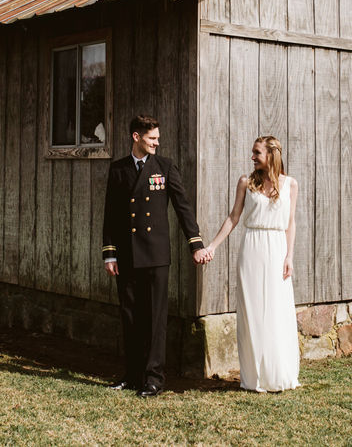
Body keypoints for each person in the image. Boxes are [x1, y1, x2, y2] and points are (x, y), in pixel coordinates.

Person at [102, 115, 211, 397]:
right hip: (126, 256)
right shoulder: (118, 169)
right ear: (136, 137)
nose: (156, 143)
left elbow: (183, 207)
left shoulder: (164, 167)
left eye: (158, 138)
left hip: (155, 256)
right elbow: (111, 215)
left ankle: (153, 378)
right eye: (152, 138)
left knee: (155, 319)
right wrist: (109, 254)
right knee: (130, 316)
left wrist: (195, 244)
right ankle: (133, 374)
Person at [206, 135, 300, 392]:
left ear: (270, 155)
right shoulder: (246, 183)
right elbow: (233, 217)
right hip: (252, 247)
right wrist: (212, 246)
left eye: (256, 152)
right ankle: (253, 376)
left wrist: (289, 256)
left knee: (276, 309)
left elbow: (290, 223)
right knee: (253, 311)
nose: (252, 157)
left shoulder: (290, 184)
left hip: (277, 248)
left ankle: (278, 373)